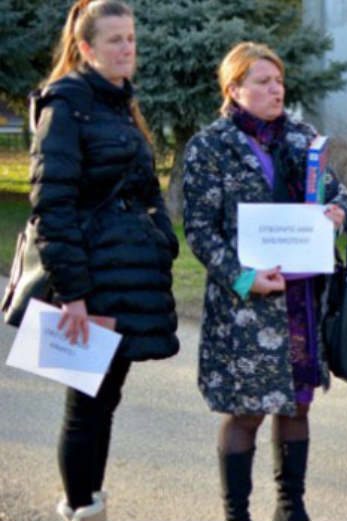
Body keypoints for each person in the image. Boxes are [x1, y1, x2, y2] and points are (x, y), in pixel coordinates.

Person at [182, 42, 347, 521]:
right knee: (245, 411)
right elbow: (198, 228)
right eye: (263, 81)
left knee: (297, 407)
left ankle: (290, 508)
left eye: (278, 81)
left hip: (299, 299)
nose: (275, 89)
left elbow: (338, 194)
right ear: (234, 89)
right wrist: (242, 279)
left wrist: (338, 213)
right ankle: (236, 513)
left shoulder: (302, 137)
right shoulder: (210, 146)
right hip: (244, 306)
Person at [27, 1, 180, 520]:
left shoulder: (118, 104)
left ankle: (88, 502)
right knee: (86, 407)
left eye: (132, 38)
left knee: (103, 399)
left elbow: (145, 186)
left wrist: (161, 234)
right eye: (115, 39)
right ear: (86, 47)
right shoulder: (67, 104)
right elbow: (53, 204)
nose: (127, 48)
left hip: (125, 276)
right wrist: (72, 295)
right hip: (88, 281)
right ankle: (80, 508)